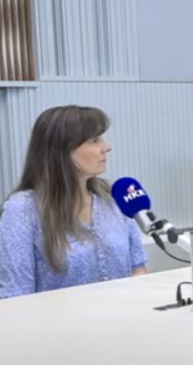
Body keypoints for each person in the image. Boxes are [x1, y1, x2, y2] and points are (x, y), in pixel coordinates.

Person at [0, 105, 147, 298]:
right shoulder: (23, 209)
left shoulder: (113, 198)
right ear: (64, 151)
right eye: (95, 140)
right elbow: (15, 294)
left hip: (124, 314)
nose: (107, 147)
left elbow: (138, 269)